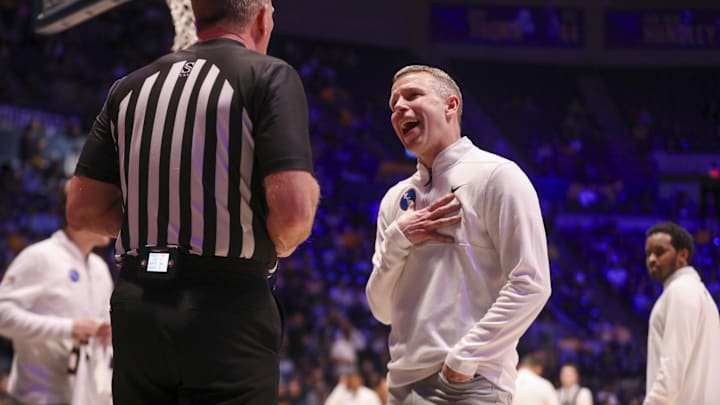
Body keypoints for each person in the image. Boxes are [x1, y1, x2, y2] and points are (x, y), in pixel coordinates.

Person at [66, 0, 320, 403]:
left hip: (137, 303)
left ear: (196, 14)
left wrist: (158, 223)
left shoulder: (129, 87)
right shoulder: (269, 74)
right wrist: (278, 241)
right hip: (225, 307)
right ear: (261, 18)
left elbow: (83, 210)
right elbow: (293, 210)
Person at [365, 64, 551, 404]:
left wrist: (465, 357)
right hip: (400, 387)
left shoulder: (498, 176)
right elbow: (381, 309)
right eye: (393, 105)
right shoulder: (395, 200)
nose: (399, 109)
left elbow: (531, 282)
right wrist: (398, 239)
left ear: (451, 105)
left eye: (412, 95)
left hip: (466, 384)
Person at [0, 183, 113, 405]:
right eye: (106, 209)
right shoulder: (41, 257)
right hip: (35, 398)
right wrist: (69, 328)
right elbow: (2, 314)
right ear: (77, 213)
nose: (113, 218)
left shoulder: (100, 269)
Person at [643, 221, 720, 404]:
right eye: (648, 254)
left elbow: (672, 369)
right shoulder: (700, 293)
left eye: (660, 252)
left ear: (682, 255)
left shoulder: (680, 290)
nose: (652, 259)